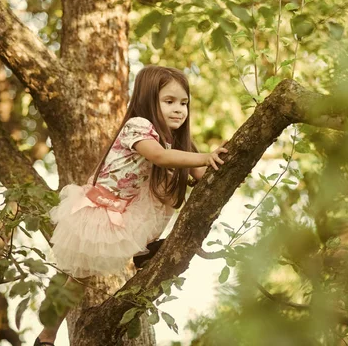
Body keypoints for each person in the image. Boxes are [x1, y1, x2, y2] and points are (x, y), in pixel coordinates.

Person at [34, 65, 228, 346]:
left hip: (129, 208)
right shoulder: (137, 126)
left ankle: (145, 247)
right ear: (149, 100)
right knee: (78, 280)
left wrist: (220, 157)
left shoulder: (178, 141)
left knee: (165, 190)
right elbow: (160, 157)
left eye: (184, 103)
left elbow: (199, 175)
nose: (179, 110)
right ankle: (46, 335)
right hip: (103, 210)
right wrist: (204, 157)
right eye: (169, 101)